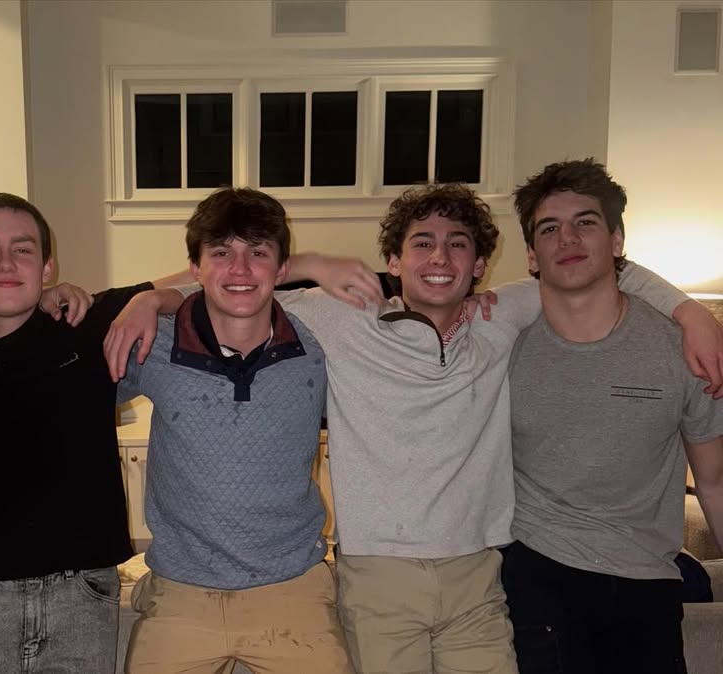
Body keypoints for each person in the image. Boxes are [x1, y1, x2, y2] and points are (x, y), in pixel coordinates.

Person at [105, 182, 722, 673]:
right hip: (378, 577)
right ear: (393, 261)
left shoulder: (504, 316)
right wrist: (148, 298)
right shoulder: (340, 317)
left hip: (478, 577)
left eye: (457, 245)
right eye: (422, 243)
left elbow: (589, 267)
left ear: (481, 265)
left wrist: (689, 310)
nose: (440, 258)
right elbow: (234, 286)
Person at [0, 192, 189, 673]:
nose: (6, 263)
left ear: (48, 266)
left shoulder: (86, 324)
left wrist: (151, 299)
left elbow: (207, 281)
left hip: (82, 591)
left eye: (23, 249)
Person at [114, 187, 353, 673]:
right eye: (221, 253)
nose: (240, 270)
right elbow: (65, 354)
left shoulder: (319, 343)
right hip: (181, 592)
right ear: (195, 267)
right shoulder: (152, 341)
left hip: (292, 589)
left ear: (282, 269)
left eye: (258, 253)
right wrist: (140, 297)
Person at [502, 159, 723, 674]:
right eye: (549, 229)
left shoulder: (684, 349)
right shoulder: (501, 346)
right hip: (536, 571)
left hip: (648, 582)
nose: (567, 238)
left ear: (617, 240)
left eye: (586, 222)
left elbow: (714, 483)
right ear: (531, 255)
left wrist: (690, 312)